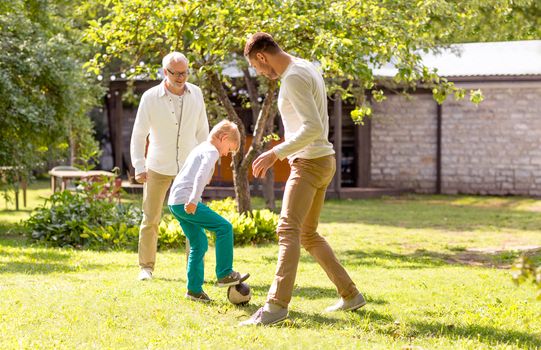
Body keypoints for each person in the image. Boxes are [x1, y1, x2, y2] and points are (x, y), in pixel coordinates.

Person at [240, 32, 366, 326]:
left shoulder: (294, 77)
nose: (259, 73)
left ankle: (275, 306)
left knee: (287, 230)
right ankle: (351, 295)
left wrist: (276, 153)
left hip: (309, 163)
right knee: (307, 234)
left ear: (261, 56)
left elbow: (312, 127)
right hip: (323, 161)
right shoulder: (306, 66)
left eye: (257, 67)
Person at [130, 52, 209, 281]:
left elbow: (202, 131)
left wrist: (206, 165)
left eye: (185, 72)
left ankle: (194, 269)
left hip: (189, 167)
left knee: (194, 218)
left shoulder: (197, 94)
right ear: (165, 72)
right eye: (176, 73)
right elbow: (138, 134)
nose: (181, 77)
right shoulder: (150, 97)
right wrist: (139, 166)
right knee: (150, 219)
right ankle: (146, 267)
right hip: (157, 166)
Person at [168, 120, 249, 302]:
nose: (227, 154)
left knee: (199, 244)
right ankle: (224, 273)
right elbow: (201, 173)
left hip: (175, 202)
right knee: (224, 228)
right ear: (223, 138)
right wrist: (194, 200)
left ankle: (194, 290)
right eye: (229, 149)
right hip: (186, 201)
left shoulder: (201, 148)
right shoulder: (212, 151)